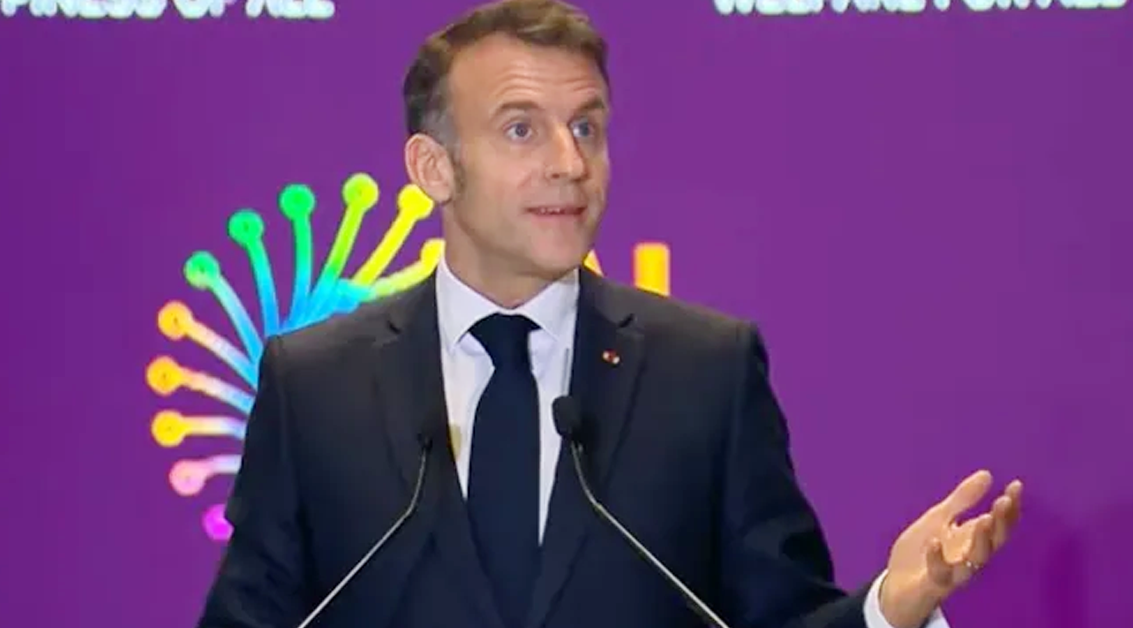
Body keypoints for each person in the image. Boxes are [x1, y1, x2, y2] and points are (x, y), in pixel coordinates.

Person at [196, 1, 1023, 627]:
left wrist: (886, 609)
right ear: (433, 168)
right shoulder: (316, 385)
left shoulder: (705, 373)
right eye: (522, 130)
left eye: (586, 127)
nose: (571, 163)